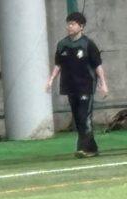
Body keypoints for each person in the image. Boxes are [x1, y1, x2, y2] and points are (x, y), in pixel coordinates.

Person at [46, 12, 109, 158]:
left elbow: (97, 65)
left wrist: (103, 83)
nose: (69, 26)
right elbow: (58, 65)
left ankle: (85, 148)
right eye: (68, 24)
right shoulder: (62, 44)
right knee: (78, 118)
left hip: (86, 85)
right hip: (70, 86)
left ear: (81, 26)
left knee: (84, 116)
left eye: (73, 24)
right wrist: (51, 80)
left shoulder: (88, 44)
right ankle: (91, 148)